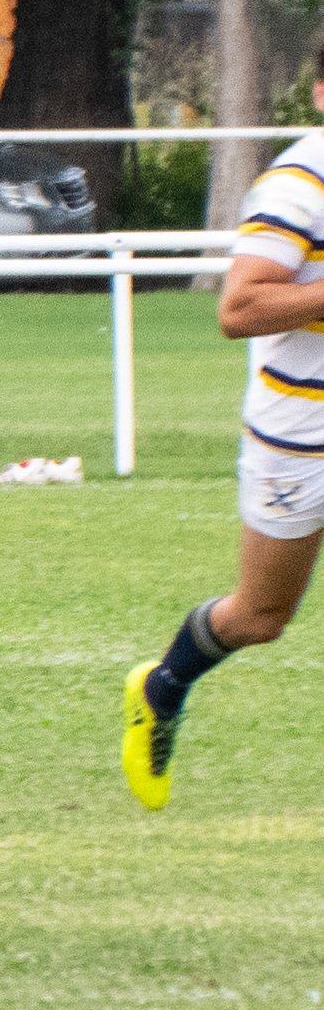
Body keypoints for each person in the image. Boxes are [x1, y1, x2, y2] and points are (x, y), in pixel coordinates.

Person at [121, 50, 324, 810]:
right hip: (297, 435)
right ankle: (162, 686)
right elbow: (237, 309)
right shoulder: (298, 186)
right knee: (261, 616)